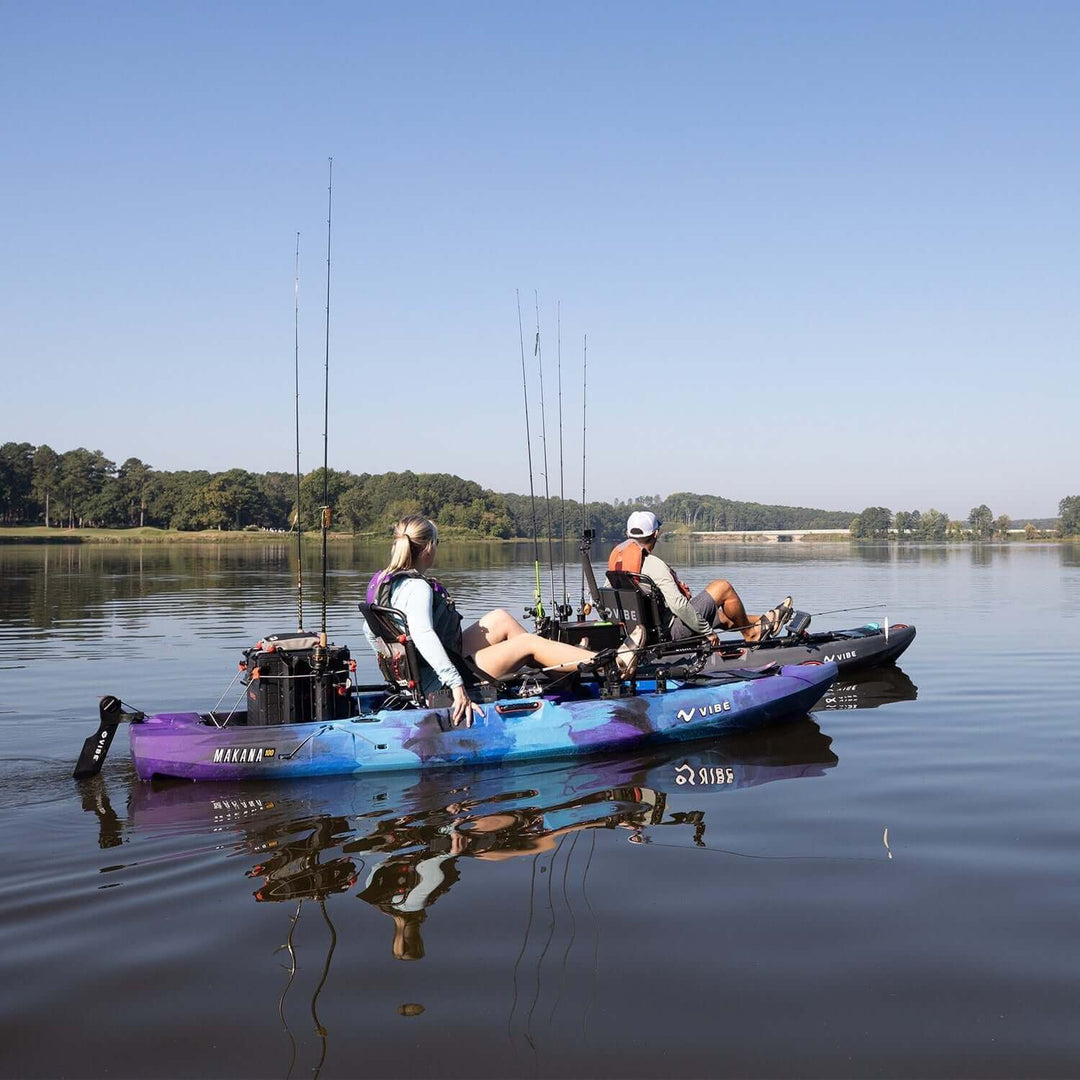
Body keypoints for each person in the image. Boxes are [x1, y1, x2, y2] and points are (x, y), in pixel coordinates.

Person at [363, 516, 597, 726]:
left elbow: (369, 628)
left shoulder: (383, 581)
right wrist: (455, 685)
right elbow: (423, 635)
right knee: (527, 643)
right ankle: (615, 661)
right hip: (438, 683)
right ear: (428, 548)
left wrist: (400, 671)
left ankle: (564, 671)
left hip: (421, 671)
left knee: (500, 619)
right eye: (437, 543)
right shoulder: (417, 588)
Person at [608, 511, 793, 645]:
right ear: (656, 534)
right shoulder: (654, 565)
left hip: (641, 632)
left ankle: (766, 620)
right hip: (668, 633)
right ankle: (752, 634)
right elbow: (679, 605)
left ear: (628, 534)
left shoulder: (617, 564)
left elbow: (603, 597)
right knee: (722, 587)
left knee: (721, 616)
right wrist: (707, 631)